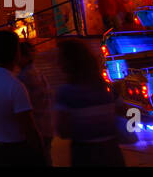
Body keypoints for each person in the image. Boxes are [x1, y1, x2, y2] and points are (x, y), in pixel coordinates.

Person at [0, 30, 45, 166]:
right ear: (16, 52)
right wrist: (41, 154)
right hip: (17, 150)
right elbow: (29, 128)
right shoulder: (14, 85)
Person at [54, 37, 125, 167]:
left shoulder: (67, 93)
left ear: (69, 62)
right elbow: (122, 110)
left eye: (60, 58)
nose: (58, 63)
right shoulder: (104, 87)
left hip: (85, 153)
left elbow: (63, 130)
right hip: (112, 151)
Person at [17, 39, 53, 164]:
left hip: (37, 127)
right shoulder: (37, 73)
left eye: (19, 56)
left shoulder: (24, 77)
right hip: (46, 125)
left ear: (25, 56)